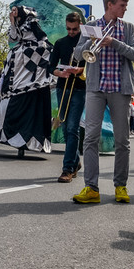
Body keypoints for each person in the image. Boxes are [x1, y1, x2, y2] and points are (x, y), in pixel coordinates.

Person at [71, 0, 134, 205]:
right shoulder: (92, 26)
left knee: (122, 140)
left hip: (120, 90)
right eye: (122, 5)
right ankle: (91, 188)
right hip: (96, 88)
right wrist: (92, 40)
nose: (125, 9)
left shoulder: (128, 28)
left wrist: (113, 42)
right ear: (110, 5)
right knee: (91, 137)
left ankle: (120, 186)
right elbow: (78, 55)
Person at [0, 6, 56, 155]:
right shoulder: (17, 27)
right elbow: (13, 38)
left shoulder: (32, 23)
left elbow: (42, 39)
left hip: (30, 63)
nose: (12, 12)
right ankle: (12, 136)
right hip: (18, 61)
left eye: (15, 11)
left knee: (28, 94)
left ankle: (30, 140)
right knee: (11, 95)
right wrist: (12, 22)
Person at [51, 12, 86, 182]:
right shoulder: (60, 43)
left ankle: (67, 169)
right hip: (62, 87)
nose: (71, 32)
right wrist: (60, 73)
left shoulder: (86, 43)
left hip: (79, 88)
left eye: (74, 29)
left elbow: (90, 65)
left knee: (73, 128)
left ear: (80, 25)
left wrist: (78, 70)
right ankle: (76, 161)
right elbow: (50, 66)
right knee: (65, 128)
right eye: (68, 29)